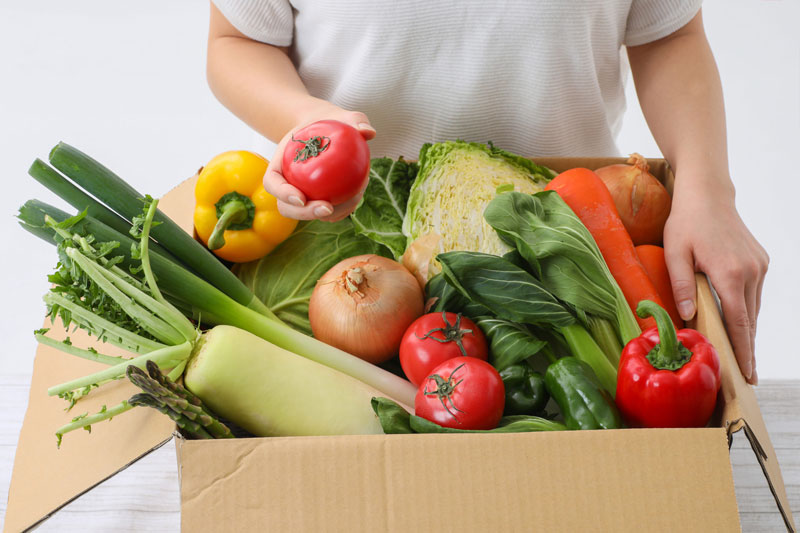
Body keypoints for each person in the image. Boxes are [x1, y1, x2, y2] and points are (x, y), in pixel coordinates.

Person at [205, 1, 767, 385]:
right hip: (353, 249)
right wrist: (309, 122)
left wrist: (708, 185)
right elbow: (237, 39)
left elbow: (668, 31)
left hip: (575, 245)